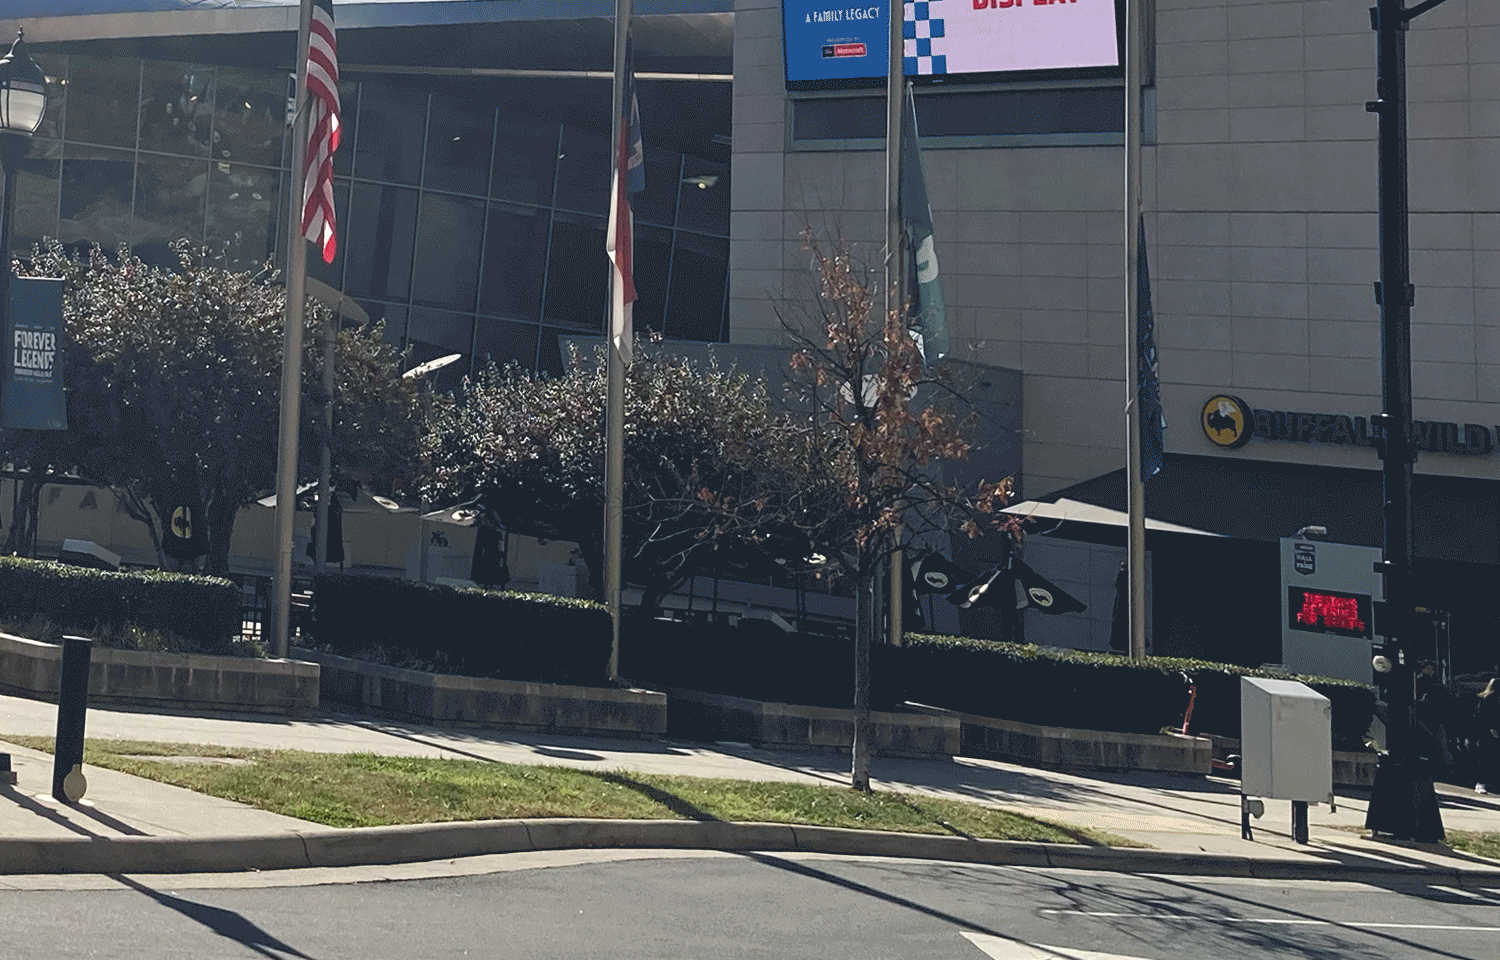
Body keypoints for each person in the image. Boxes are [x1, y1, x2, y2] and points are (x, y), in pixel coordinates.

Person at [1476, 678, 1500, 794]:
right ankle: (1481, 783)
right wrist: (1492, 728)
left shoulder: (1484, 698)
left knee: (1486, 758)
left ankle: (1482, 783)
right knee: (1487, 758)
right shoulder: (1489, 699)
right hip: (1489, 732)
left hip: (1487, 732)